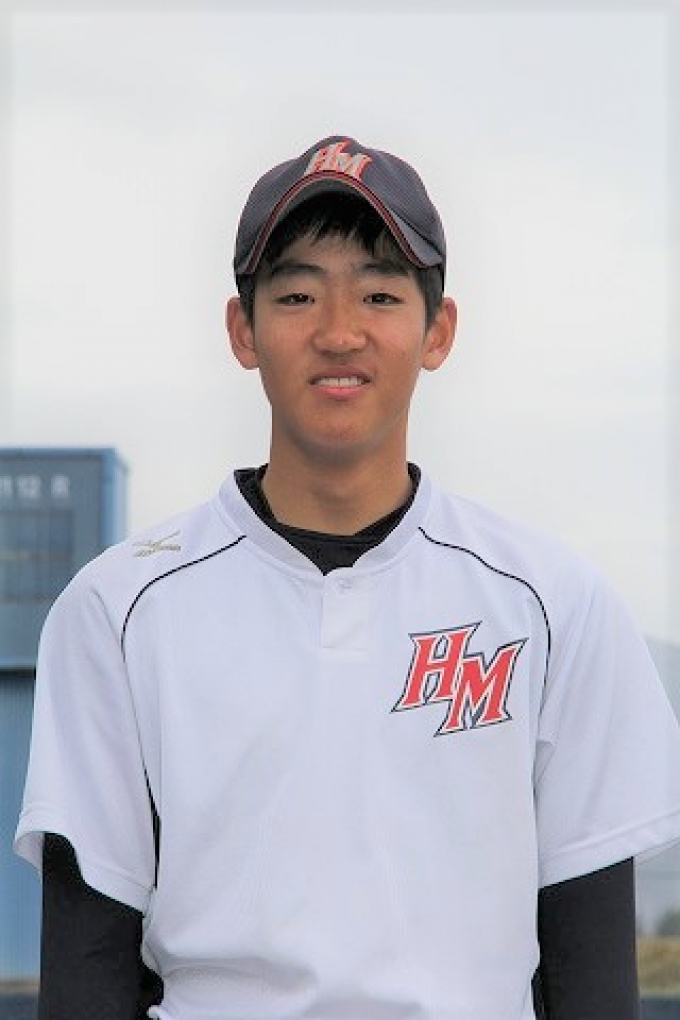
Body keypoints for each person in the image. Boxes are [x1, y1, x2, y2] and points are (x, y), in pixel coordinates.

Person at [15, 134, 680, 1020]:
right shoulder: (118, 609)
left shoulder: (554, 604)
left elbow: (588, 967)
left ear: (438, 331)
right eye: (296, 295)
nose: (337, 332)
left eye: (379, 294)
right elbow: (88, 965)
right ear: (242, 330)